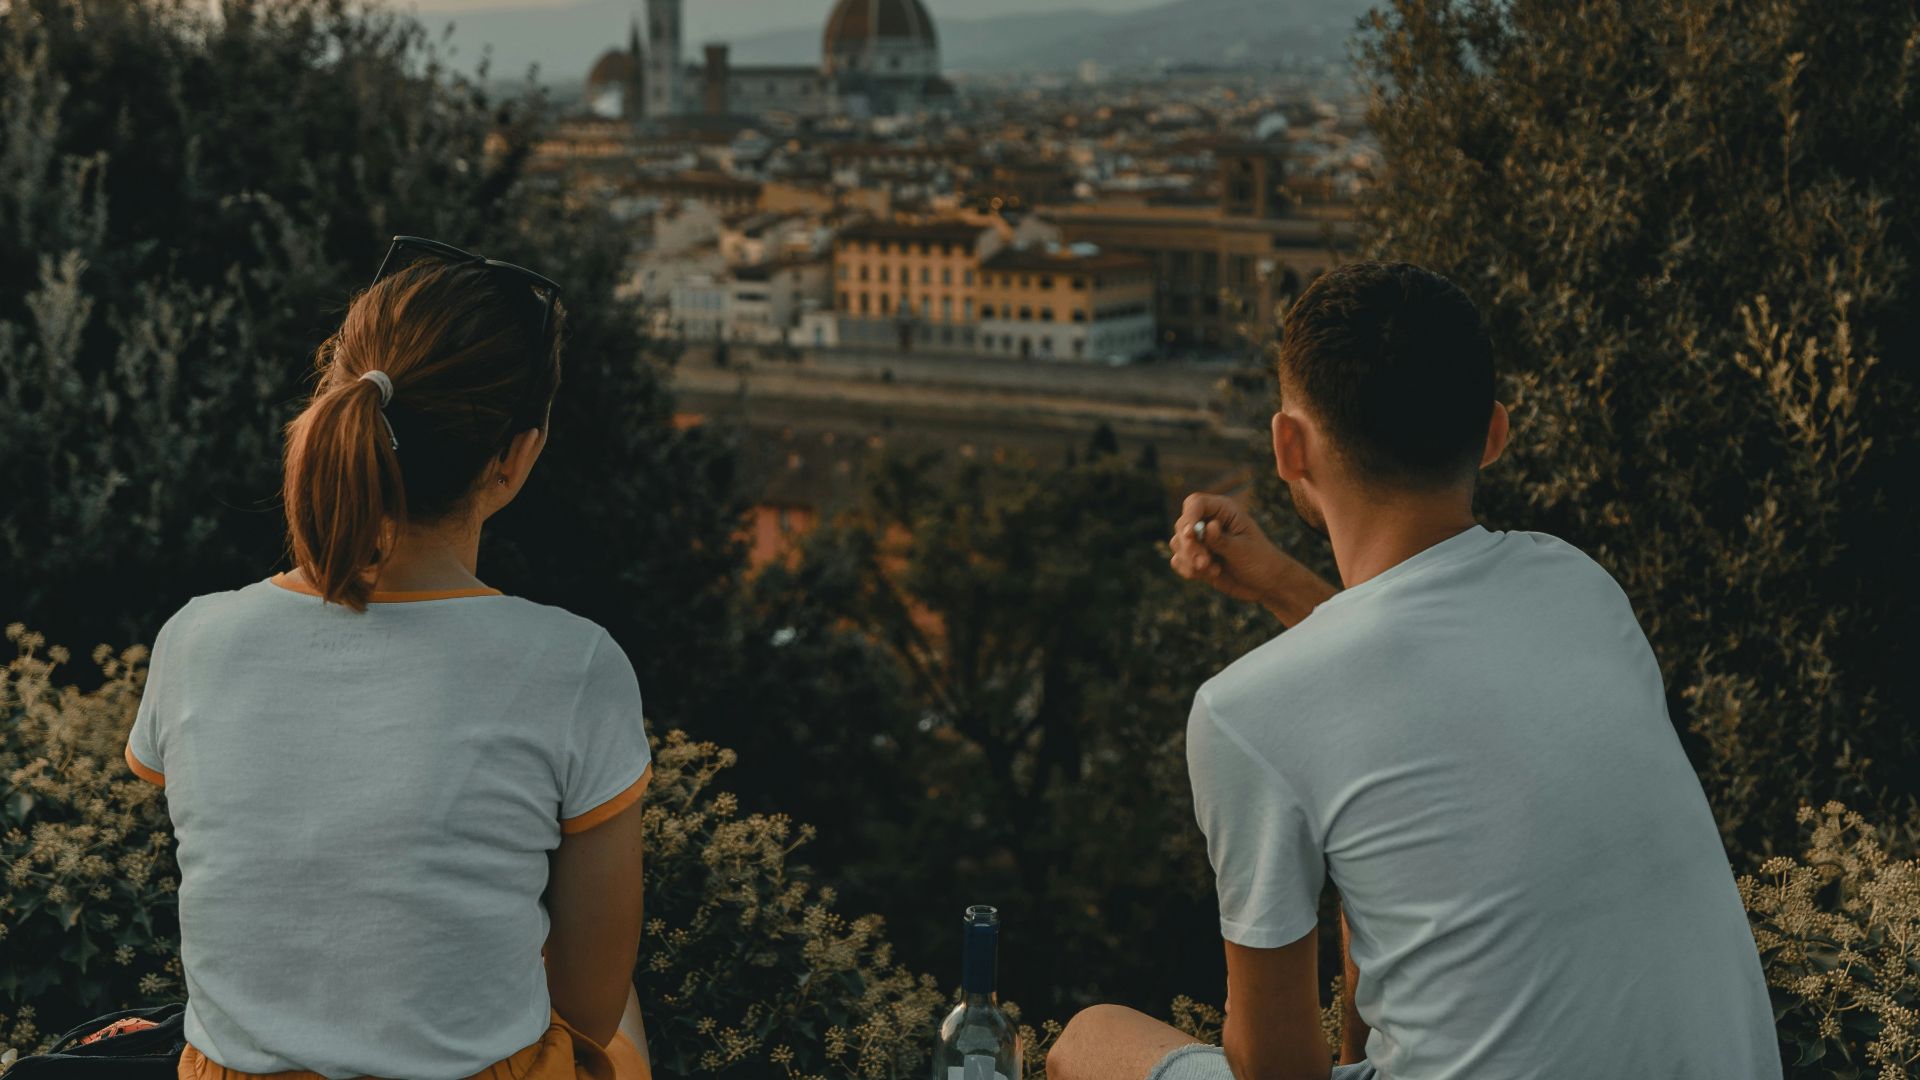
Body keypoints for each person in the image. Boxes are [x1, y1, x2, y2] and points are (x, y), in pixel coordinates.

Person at [1047, 262, 1780, 1080]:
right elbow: (1416, 709)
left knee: (1089, 1040)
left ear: (1288, 446)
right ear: (1495, 432)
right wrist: (1287, 587)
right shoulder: (1579, 585)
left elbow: (1275, 1071)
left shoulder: (1243, 711)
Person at [123, 238, 654, 1080]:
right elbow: (584, 1007)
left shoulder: (195, 638)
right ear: (515, 455)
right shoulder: (575, 666)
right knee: (621, 1030)